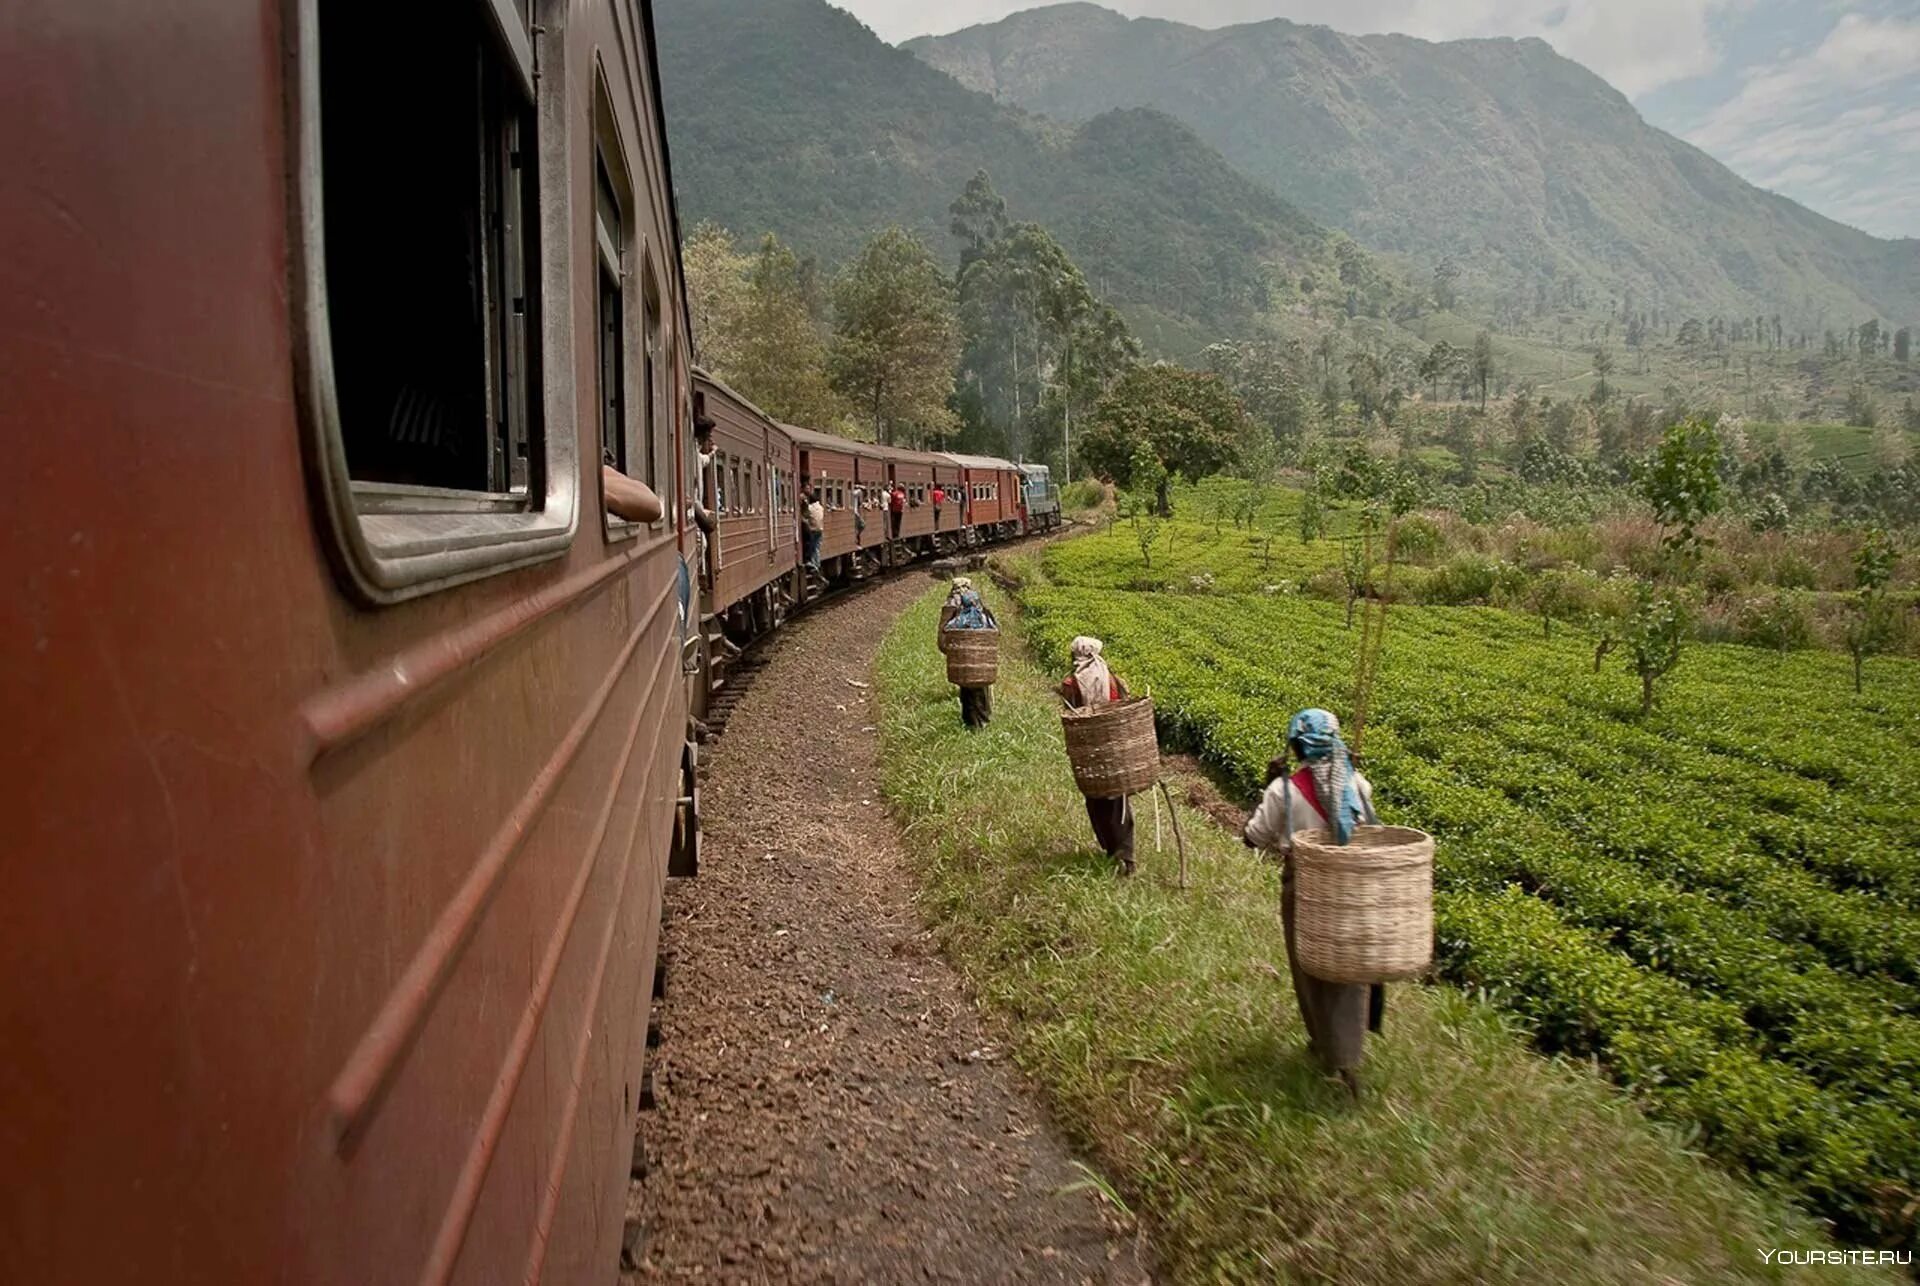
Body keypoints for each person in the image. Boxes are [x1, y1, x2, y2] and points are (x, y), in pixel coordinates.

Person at [1243, 708, 1383, 1097]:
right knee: (1348, 969)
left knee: (1311, 968)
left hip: (1304, 887)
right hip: (1352, 888)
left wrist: (1269, 784)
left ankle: (1331, 1052)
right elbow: (1370, 832)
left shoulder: (1283, 791)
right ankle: (1346, 1047)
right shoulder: (1358, 785)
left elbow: (1253, 836)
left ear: (1296, 746)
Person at [1058, 637, 1136, 876]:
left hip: (1091, 754)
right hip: (1115, 751)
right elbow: (1125, 706)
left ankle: (1113, 853)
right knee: (1119, 803)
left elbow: (1069, 713)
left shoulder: (1071, 682)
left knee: (1097, 803)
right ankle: (1126, 855)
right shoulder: (1113, 679)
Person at [942, 579, 996, 729]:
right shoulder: (984, 617)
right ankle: (983, 722)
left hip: (966, 665)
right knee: (982, 694)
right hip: (982, 665)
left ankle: (971, 724)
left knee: (967, 696)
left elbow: (946, 629)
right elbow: (996, 631)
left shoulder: (960, 619)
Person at [800, 485, 825, 572]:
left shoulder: (810, 508)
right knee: (817, 548)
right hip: (820, 530)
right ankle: (817, 564)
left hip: (813, 530)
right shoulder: (821, 507)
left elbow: (805, 516)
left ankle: (812, 563)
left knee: (812, 547)